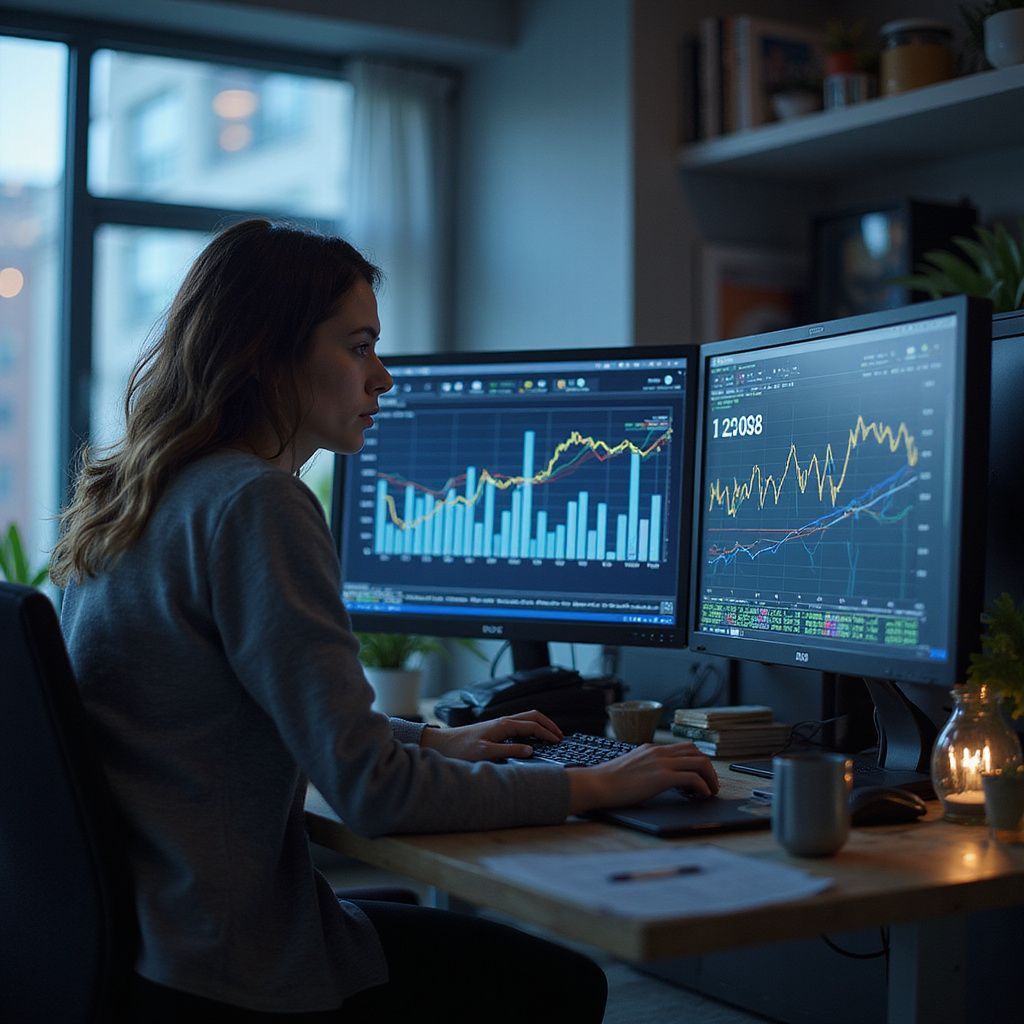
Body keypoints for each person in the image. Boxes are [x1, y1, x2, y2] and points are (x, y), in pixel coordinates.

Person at [51, 219, 719, 1023]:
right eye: (359, 347)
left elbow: (228, 711)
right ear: (268, 355)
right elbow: (374, 794)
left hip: (147, 947)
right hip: (234, 967)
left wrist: (428, 740)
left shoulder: (137, 494)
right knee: (567, 986)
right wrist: (594, 782)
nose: (384, 378)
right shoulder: (256, 503)